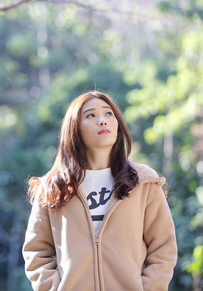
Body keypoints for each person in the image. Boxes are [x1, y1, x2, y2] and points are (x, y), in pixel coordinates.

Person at [22, 90, 177, 291]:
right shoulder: (53, 187)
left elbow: (164, 248)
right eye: (90, 115)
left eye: (108, 113)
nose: (102, 121)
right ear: (74, 128)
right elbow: (37, 252)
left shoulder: (143, 181)